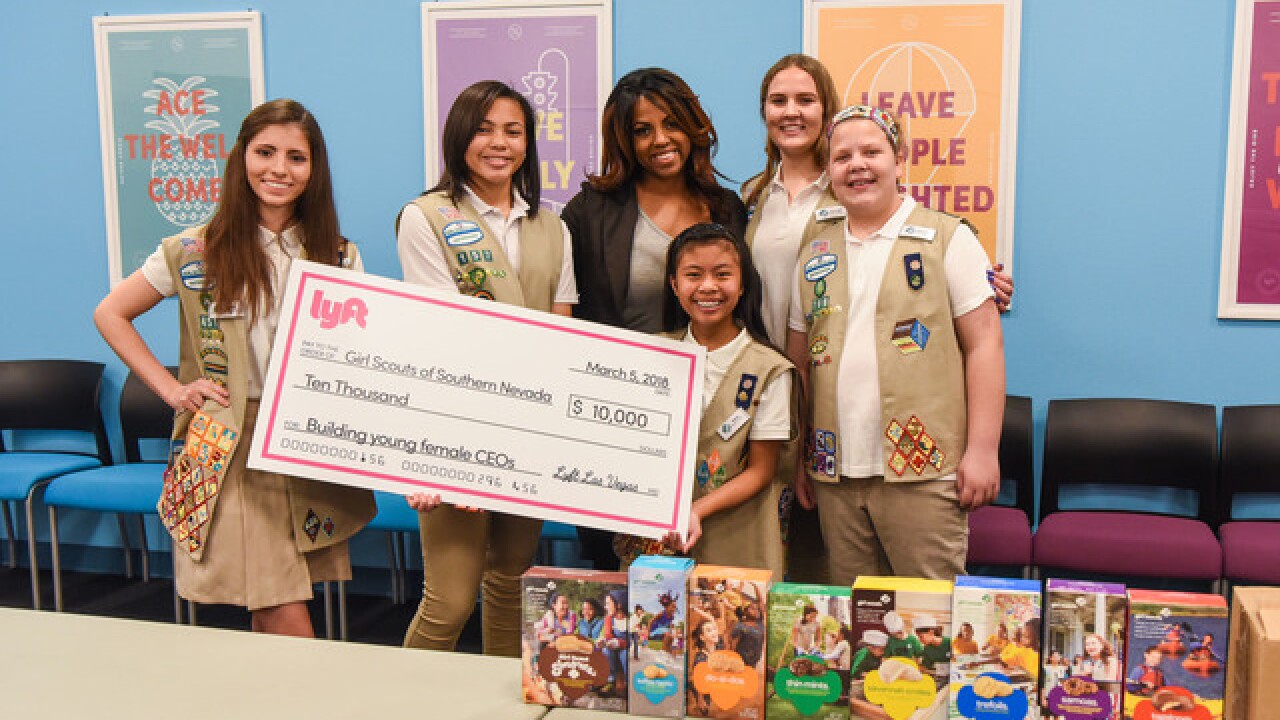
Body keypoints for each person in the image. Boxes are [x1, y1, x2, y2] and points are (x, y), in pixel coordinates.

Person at [94, 98, 375, 637]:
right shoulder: (193, 249)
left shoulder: (338, 254)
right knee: (277, 596)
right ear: (240, 157)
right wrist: (172, 389)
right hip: (228, 442)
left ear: (313, 169)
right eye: (265, 152)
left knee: (270, 594)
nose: (279, 169)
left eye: (296, 157)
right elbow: (111, 313)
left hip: (301, 438)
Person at [742, 55, 1015, 583]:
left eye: (871, 152)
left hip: (923, 469)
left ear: (898, 160)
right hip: (835, 471)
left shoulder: (947, 239)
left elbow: (985, 346)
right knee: (851, 621)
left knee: (926, 620)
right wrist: (799, 457)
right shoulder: (814, 250)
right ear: (830, 167)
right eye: (842, 156)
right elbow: (800, 360)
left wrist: (982, 451)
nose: (856, 165)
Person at [396, 80, 578, 656]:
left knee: (511, 580)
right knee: (449, 599)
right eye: (484, 129)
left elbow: (561, 332)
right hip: (455, 423)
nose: (499, 143)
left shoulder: (553, 226)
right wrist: (461, 448)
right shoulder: (425, 216)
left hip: (528, 429)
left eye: (513, 130)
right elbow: (437, 334)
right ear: (459, 137)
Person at [563, 67, 749, 569]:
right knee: (612, 558)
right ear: (623, 140)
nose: (660, 140)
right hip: (613, 412)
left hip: (704, 411)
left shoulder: (726, 209)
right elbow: (567, 311)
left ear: (693, 126)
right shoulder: (590, 211)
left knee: (695, 552)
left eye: (670, 123)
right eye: (642, 130)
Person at [655, 224, 794, 576]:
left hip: (740, 532)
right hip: (661, 534)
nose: (707, 287)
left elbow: (762, 470)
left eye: (722, 275)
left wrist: (697, 511)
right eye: (693, 275)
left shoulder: (770, 369)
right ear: (674, 284)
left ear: (743, 282)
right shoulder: (651, 355)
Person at [600, 590, 629, 693]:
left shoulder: (629, 621)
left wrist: (619, 643)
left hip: (625, 648)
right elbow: (608, 634)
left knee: (626, 655)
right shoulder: (609, 618)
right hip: (613, 648)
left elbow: (632, 640)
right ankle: (610, 681)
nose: (605, 607)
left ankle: (627, 682)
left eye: (608, 604)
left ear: (619, 605)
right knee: (606, 651)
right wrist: (605, 641)